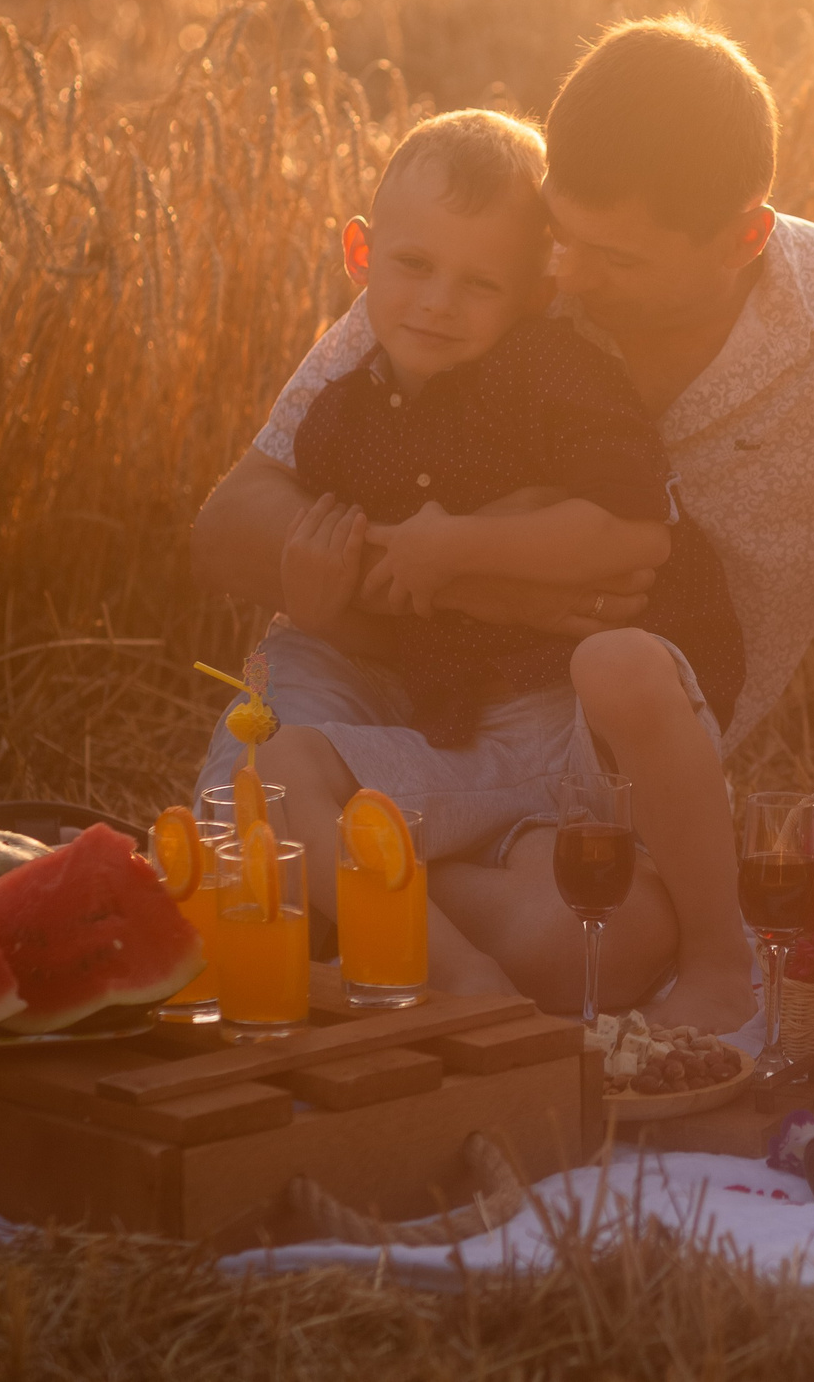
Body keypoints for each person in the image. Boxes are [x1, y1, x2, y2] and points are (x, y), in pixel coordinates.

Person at [193, 17, 814, 1023]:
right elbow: (232, 521)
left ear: (745, 234)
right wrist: (445, 565)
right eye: (564, 237)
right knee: (254, 802)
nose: (567, 279)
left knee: (577, 939)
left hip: (589, 756)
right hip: (406, 704)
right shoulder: (492, 271)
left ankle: (372, 931)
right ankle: (425, 955)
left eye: (613, 257)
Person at [236, 107, 749, 1027]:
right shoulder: (340, 424)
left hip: (592, 736)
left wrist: (455, 543)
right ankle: (462, 977)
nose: (438, 302)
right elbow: (355, 580)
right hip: (467, 740)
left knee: (618, 660)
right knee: (273, 774)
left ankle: (720, 962)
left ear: (538, 291)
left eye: (482, 283)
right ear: (361, 255)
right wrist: (317, 596)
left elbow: (637, 525)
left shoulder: (555, 370)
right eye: (413, 266)